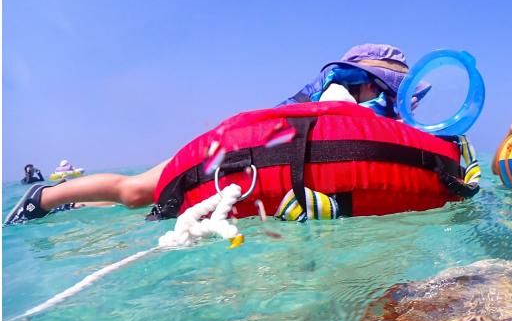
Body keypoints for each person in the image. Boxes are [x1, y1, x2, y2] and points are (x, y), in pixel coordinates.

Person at [4, 43, 427, 225]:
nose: (406, 107)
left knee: (138, 195)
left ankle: (69, 201)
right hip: (237, 152)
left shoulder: (352, 108)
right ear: (372, 85)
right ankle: (42, 197)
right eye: (400, 94)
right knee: (136, 193)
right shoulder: (346, 106)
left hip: (237, 150)